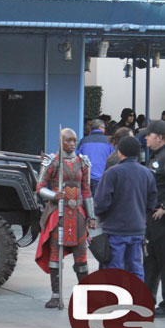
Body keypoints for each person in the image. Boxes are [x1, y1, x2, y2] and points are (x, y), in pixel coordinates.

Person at [35, 128, 97, 309]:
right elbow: (40, 187)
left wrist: (91, 216)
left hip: (77, 213)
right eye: (68, 140)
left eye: (74, 140)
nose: (71, 144)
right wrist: (54, 195)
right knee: (55, 255)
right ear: (60, 141)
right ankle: (55, 295)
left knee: (81, 255)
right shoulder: (52, 162)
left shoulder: (83, 162)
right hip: (57, 214)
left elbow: (86, 191)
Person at [94, 136, 157, 282]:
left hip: (115, 230)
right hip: (137, 229)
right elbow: (151, 202)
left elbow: (101, 203)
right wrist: (141, 217)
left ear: (120, 152)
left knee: (115, 270)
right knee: (136, 268)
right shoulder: (146, 173)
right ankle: (137, 301)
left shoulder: (112, 173)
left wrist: (101, 218)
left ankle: (116, 303)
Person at [140, 120, 165, 317]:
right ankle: (148, 300)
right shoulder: (155, 157)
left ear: (160, 137)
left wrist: (164, 207)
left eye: (149, 134)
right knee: (151, 261)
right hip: (151, 219)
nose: (146, 137)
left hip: (161, 219)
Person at [77, 119, 114, 194]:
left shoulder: (83, 141)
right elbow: (113, 160)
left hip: (86, 179)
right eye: (104, 128)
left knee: (87, 203)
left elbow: (77, 159)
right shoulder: (109, 142)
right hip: (103, 179)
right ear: (100, 128)